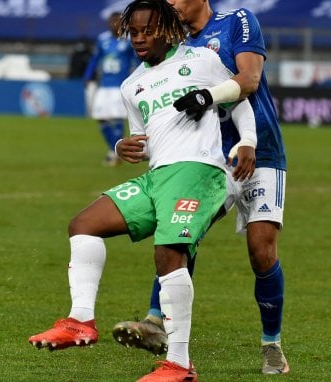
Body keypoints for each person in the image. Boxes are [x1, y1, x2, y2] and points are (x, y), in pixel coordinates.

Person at [28, 1, 256, 380]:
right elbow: (146, 140)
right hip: (157, 176)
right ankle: (80, 321)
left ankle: (180, 364)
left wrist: (246, 140)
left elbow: (238, 99)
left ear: (167, 30)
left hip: (198, 171)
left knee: (168, 253)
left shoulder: (201, 60)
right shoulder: (131, 85)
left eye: (146, 30)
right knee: (83, 224)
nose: (138, 38)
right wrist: (123, 147)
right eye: (133, 32)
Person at [112, 0, 289, 375]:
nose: (170, 3)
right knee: (180, 230)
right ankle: (156, 321)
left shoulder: (236, 21)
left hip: (260, 152)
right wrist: (127, 144)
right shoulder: (170, 42)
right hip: (205, 158)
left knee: (262, 252)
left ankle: (271, 343)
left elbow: (249, 80)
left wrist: (211, 102)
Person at [83, 11, 139, 167]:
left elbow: (137, 61)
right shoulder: (103, 39)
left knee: (116, 118)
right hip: (104, 85)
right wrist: (88, 75)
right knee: (101, 117)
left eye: (117, 22)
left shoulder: (129, 40)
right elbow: (95, 59)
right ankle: (114, 150)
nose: (114, 25)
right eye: (112, 22)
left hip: (119, 86)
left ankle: (114, 154)